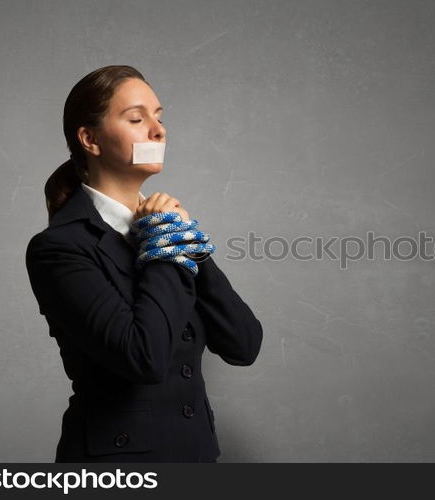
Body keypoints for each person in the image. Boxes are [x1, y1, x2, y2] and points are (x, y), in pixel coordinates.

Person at [25, 65, 263, 462]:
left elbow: (244, 344)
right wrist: (163, 244)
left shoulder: (167, 226)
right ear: (90, 139)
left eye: (159, 117)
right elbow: (143, 357)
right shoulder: (60, 248)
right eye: (137, 118)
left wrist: (186, 244)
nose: (158, 131)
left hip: (197, 454)